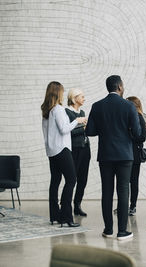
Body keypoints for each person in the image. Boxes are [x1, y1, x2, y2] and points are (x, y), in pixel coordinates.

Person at [85, 75, 141, 241]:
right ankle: (122, 231)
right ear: (120, 87)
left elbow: (90, 131)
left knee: (107, 192)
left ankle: (108, 229)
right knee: (123, 191)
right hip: (125, 155)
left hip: (105, 155)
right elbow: (137, 133)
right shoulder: (129, 106)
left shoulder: (97, 106)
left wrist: (105, 129)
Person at [41, 81, 86, 227]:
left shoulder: (46, 111)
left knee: (55, 182)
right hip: (62, 149)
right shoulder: (59, 110)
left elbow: (47, 133)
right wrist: (77, 121)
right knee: (71, 180)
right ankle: (66, 218)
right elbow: (64, 129)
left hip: (52, 151)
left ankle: (55, 216)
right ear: (58, 93)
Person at [65, 88, 91, 217]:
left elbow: (85, 130)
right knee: (72, 178)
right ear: (74, 98)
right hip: (74, 149)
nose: (84, 99)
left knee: (83, 179)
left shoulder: (82, 112)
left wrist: (87, 128)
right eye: (82, 96)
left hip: (85, 149)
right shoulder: (67, 112)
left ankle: (77, 205)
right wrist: (83, 128)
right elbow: (68, 132)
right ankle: (66, 205)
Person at [126, 96, 146, 216]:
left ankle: (132, 206)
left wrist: (130, 135)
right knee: (125, 182)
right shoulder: (130, 117)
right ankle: (125, 205)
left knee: (133, 182)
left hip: (134, 154)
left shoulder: (139, 117)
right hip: (128, 153)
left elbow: (142, 137)